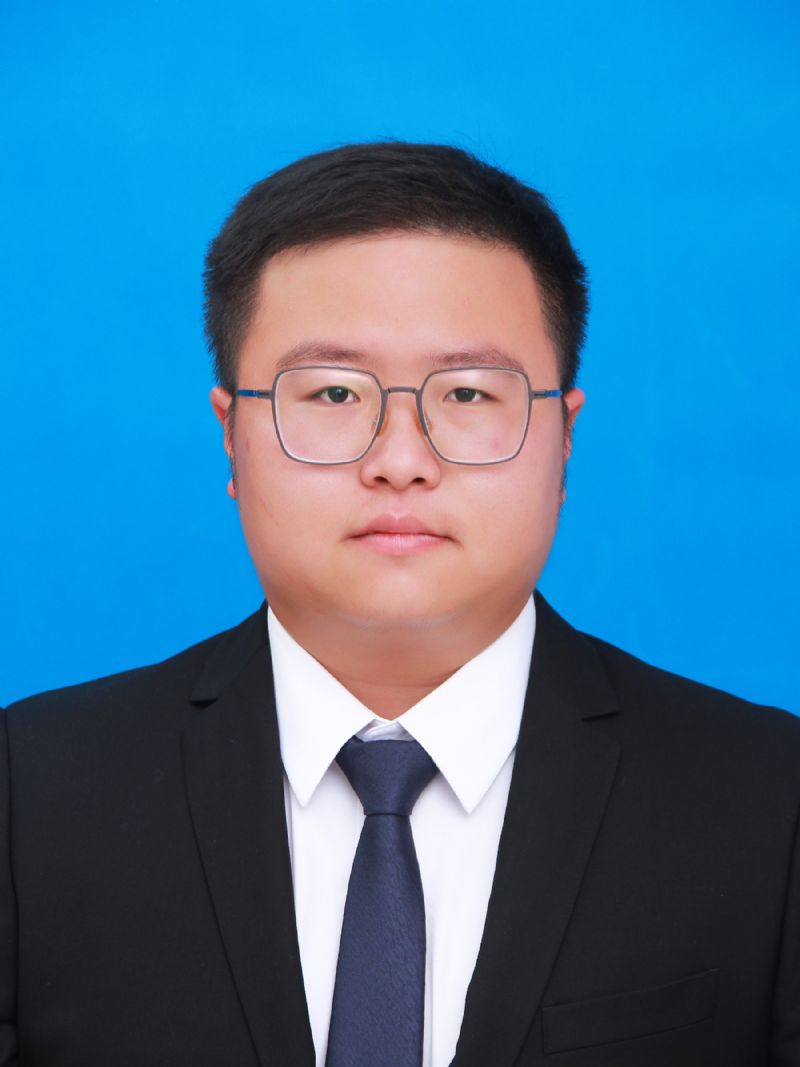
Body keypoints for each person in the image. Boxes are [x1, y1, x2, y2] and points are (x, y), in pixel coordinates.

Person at [1, 142, 798, 1067]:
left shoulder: (767, 801)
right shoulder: (31, 794)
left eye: (468, 392)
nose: (401, 459)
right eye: (335, 392)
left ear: (564, 438)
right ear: (231, 436)